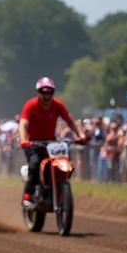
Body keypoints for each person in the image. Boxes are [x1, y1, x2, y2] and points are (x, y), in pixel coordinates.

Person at [18, 77, 86, 209]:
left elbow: (70, 120)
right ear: (39, 93)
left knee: (63, 162)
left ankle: (58, 190)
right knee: (35, 164)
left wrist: (80, 135)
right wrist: (24, 140)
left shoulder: (58, 105)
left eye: (49, 92)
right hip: (33, 144)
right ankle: (28, 194)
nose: (46, 95)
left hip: (50, 143)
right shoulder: (30, 105)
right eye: (43, 92)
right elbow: (23, 124)